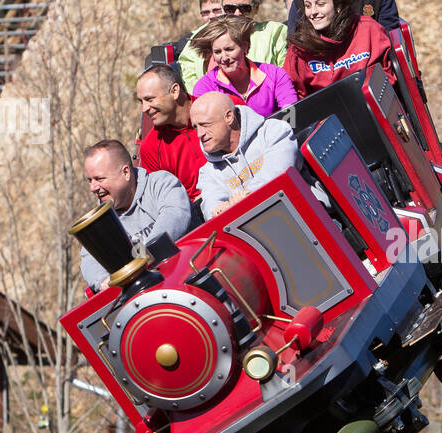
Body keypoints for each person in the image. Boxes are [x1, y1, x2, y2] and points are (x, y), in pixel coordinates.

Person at [80, 139, 193, 289]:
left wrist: (142, 258)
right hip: (149, 297)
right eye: (89, 180)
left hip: (191, 273)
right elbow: (89, 257)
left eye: (99, 179)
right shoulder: (102, 221)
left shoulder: (161, 184)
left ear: (126, 172)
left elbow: (175, 215)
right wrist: (104, 282)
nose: (93, 188)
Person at [284, 0, 396, 98]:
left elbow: (386, 75)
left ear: (338, 7)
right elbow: (294, 94)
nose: (313, 12)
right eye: (308, 6)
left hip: (369, 104)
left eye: (320, 4)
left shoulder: (367, 29)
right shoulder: (299, 47)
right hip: (324, 112)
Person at [191, 92, 299, 219]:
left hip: (300, 213)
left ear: (229, 117)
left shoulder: (274, 131)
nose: (199, 134)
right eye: (196, 127)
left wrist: (239, 203)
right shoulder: (207, 172)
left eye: (205, 125)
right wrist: (221, 210)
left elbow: (277, 179)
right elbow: (213, 211)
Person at [179, 0, 288, 91]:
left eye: (245, 8)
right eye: (230, 8)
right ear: (222, 6)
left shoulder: (274, 32)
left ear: (256, 7)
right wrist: (205, 96)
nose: (237, 14)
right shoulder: (204, 35)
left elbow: (285, 74)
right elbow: (187, 69)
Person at [190, 16, 298, 116]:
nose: (224, 58)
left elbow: (291, 117)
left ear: (245, 46)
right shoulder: (204, 87)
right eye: (217, 52)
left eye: (229, 49)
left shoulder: (275, 74)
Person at [134, 64, 208, 203]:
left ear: (175, 91)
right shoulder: (150, 148)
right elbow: (166, 201)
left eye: (150, 99)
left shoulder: (217, 109)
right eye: (141, 101)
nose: (144, 108)